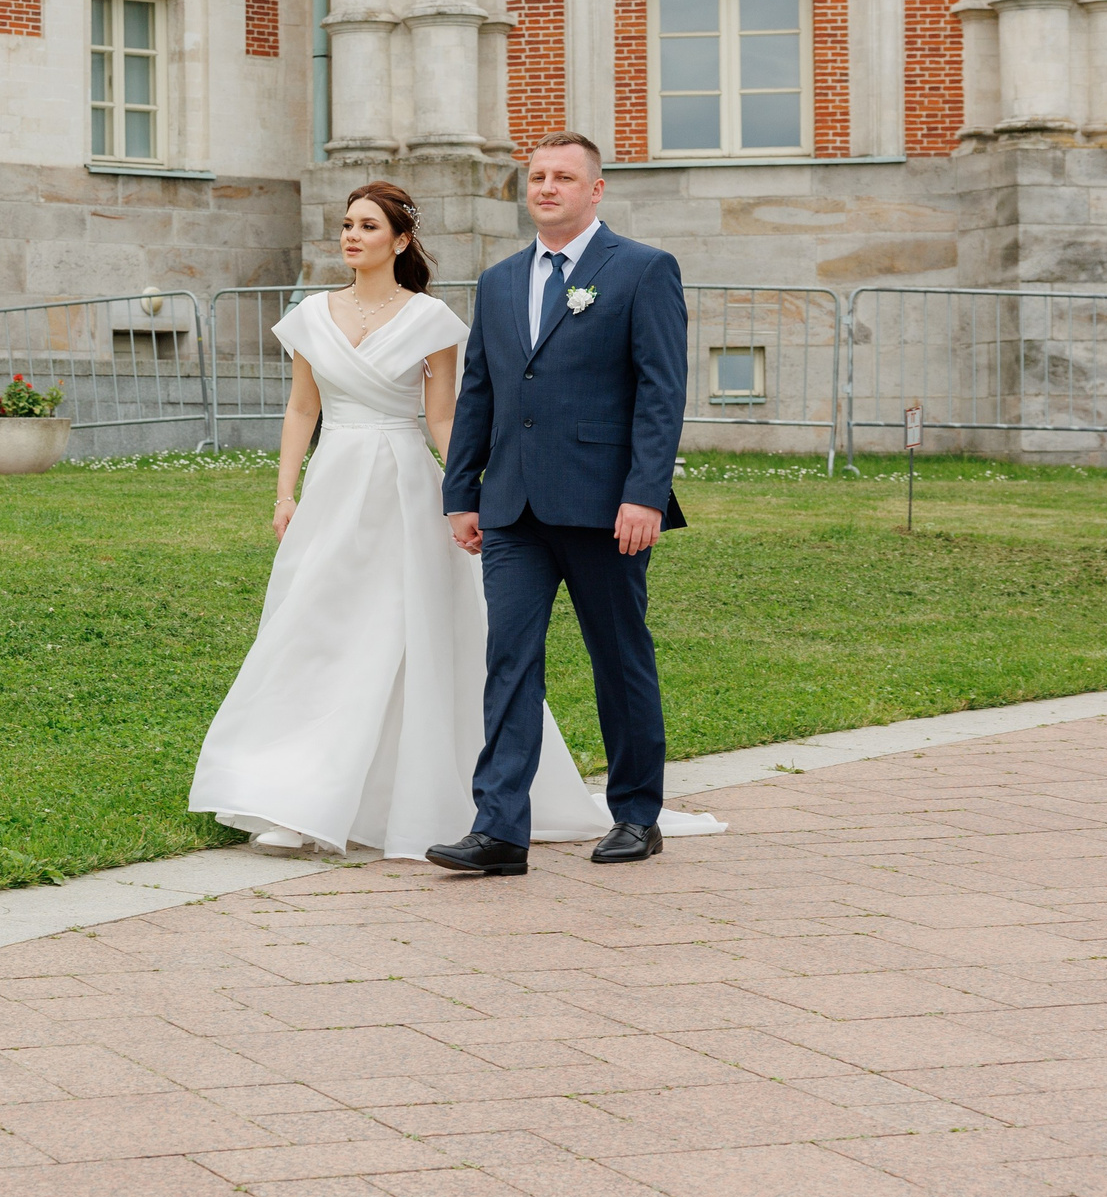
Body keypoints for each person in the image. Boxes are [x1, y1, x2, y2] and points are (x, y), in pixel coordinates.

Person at [188, 180, 720, 862]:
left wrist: (461, 489)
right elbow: (301, 409)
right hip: (334, 488)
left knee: (447, 637)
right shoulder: (321, 314)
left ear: (401, 239)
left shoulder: (435, 317)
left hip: (410, 486)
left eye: (367, 225)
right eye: (346, 224)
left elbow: (451, 415)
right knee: (318, 627)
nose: (351, 236)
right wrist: (284, 491)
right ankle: (311, 793)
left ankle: (622, 812)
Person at [428, 131, 713, 876]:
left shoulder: (642, 270)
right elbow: (480, 393)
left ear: (597, 189)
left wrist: (645, 494)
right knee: (509, 661)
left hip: (604, 505)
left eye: (563, 177)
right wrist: (463, 492)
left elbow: (661, 392)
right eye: (537, 177)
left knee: (618, 659)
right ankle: (498, 830)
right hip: (514, 507)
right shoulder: (498, 281)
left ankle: (636, 813)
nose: (547, 187)